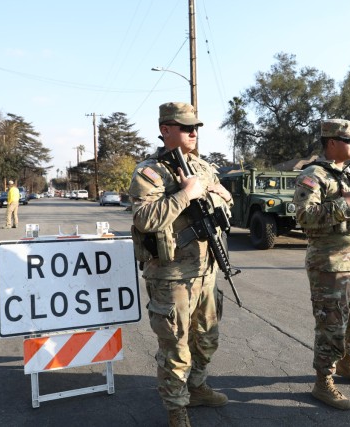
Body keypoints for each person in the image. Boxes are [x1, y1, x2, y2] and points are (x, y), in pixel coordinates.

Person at [128, 102, 233, 427]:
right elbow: (144, 218)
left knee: (206, 338)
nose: (193, 132)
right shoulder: (150, 172)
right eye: (186, 127)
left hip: (206, 271)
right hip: (171, 276)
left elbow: (227, 204)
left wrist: (216, 193)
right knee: (176, 348)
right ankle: (177, 411)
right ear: (165, 130)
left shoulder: (204, 167)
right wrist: (186, 194)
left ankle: (197, 388)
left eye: (195, 127)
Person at [293, 119, 350, 411]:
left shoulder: (348, 175)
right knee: (331, 326)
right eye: (349, 140)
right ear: (331, 142)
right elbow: (303, 216)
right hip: (330, 266)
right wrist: (346, 204)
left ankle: (347, 363)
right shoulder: (313, 175)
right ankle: (323, 382)